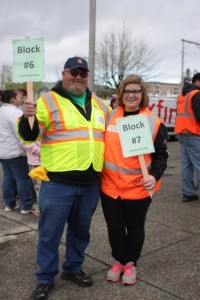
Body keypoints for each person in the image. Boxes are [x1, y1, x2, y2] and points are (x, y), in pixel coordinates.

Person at [17, 56, 110, 299]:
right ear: (64, 74)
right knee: (50, 233)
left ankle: (72, 268)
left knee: (81, 232)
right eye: (74, 72)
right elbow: (29, 137)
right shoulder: (46, 101)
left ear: (88, 76)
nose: (78, 77)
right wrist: (26, 116)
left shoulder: (100, 104)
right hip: (58, 183)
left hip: (90, 183)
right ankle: (45, 278)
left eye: (83, 73)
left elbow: (114, 132)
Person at [101, 75, 168, 285]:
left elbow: (161, 155)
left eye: (136, 91)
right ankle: (118, 260)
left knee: (136, 227)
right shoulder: (109, 117)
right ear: (121, 93)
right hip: (110, 187)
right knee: (115, 227)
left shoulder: (154, 123)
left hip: (139, 187)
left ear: (142, 95)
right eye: (127, 90)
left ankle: (130, 263)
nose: (131, 95)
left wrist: (154, 176)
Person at [0, 89, 34, 214]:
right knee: (22, 179)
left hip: (3, 152)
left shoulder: (2, 111)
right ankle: (26, 206)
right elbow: (21, 133)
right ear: (12, 99)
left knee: (8, 177)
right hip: (15, 152)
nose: (21, 99)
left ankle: (9, 204)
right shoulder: (14, 113)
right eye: (18, 97)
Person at [174, 73, 200, 202]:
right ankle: (189, 192)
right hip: (194, 134)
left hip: (183, 134)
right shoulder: (196, 94)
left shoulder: (182, 95)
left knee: (186, 165)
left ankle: (188, 193)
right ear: (197, 82)